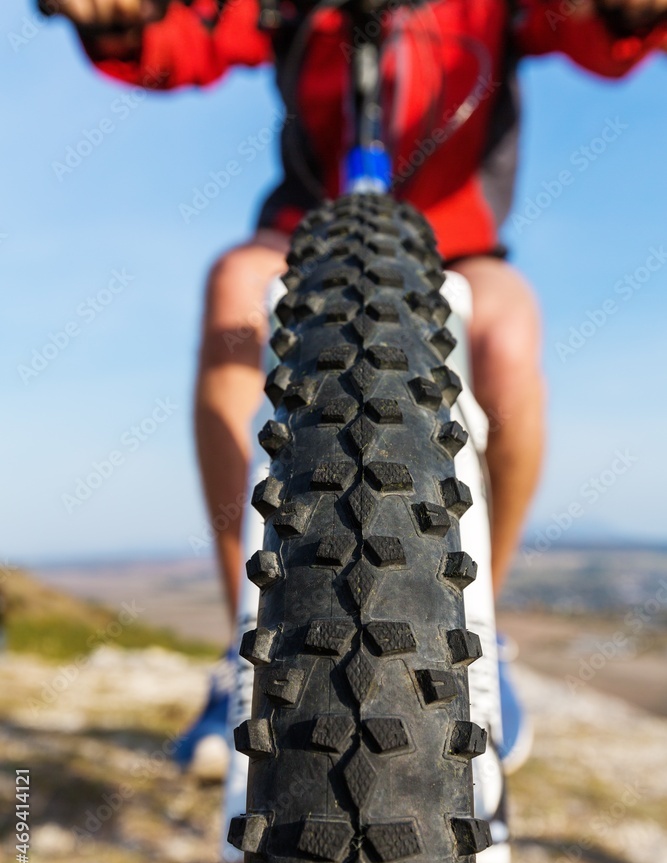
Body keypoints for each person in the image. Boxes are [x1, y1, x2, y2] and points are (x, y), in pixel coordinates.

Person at [52, 0, 666, 779]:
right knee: (235, 294)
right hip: (308, 232)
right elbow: (194, 34)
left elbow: (586, 32)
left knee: (506, 337)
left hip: (455, 241)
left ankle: (480, 644)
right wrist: (120, 22)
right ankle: (247, 647)